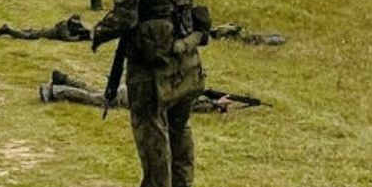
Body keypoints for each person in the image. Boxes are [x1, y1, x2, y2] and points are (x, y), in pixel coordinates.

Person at [90, 0, 205, 187]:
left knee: (148, 118)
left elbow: (124, 17)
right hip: (185, 44)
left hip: (150, 53)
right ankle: (182, 186)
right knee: (180, 121)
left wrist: (97, 33)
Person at [37, 69, 264, 114]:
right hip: (136, 97)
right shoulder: (185, 94)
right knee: (95, 99)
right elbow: (193, 105)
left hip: (136, 89)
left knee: (100, 92)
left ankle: (65, 79)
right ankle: (56, 91)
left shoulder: (178, 81)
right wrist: (217, 106)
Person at [0, 14, 91, 42]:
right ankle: (7, 30)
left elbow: (81, 29)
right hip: (43, 34)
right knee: (25, 36)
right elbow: (66, 38)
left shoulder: (73, 25)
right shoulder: (64, 26)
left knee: (25, 32)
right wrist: (79, 38)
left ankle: (8, 29)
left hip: (43, 31)